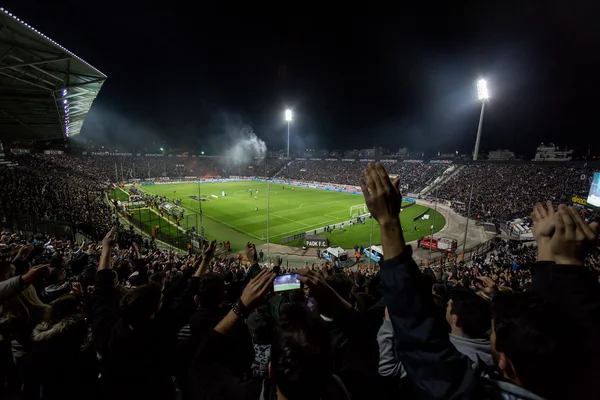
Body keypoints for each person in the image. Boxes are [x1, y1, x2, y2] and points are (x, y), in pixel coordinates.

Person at [359, 162, 600, 400]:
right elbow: (559, 320)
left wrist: (388, 221)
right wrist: (560, 258)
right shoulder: (581, 378)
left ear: (505, 362)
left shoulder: (472, 392)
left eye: (492, 331)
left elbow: (417, 335)